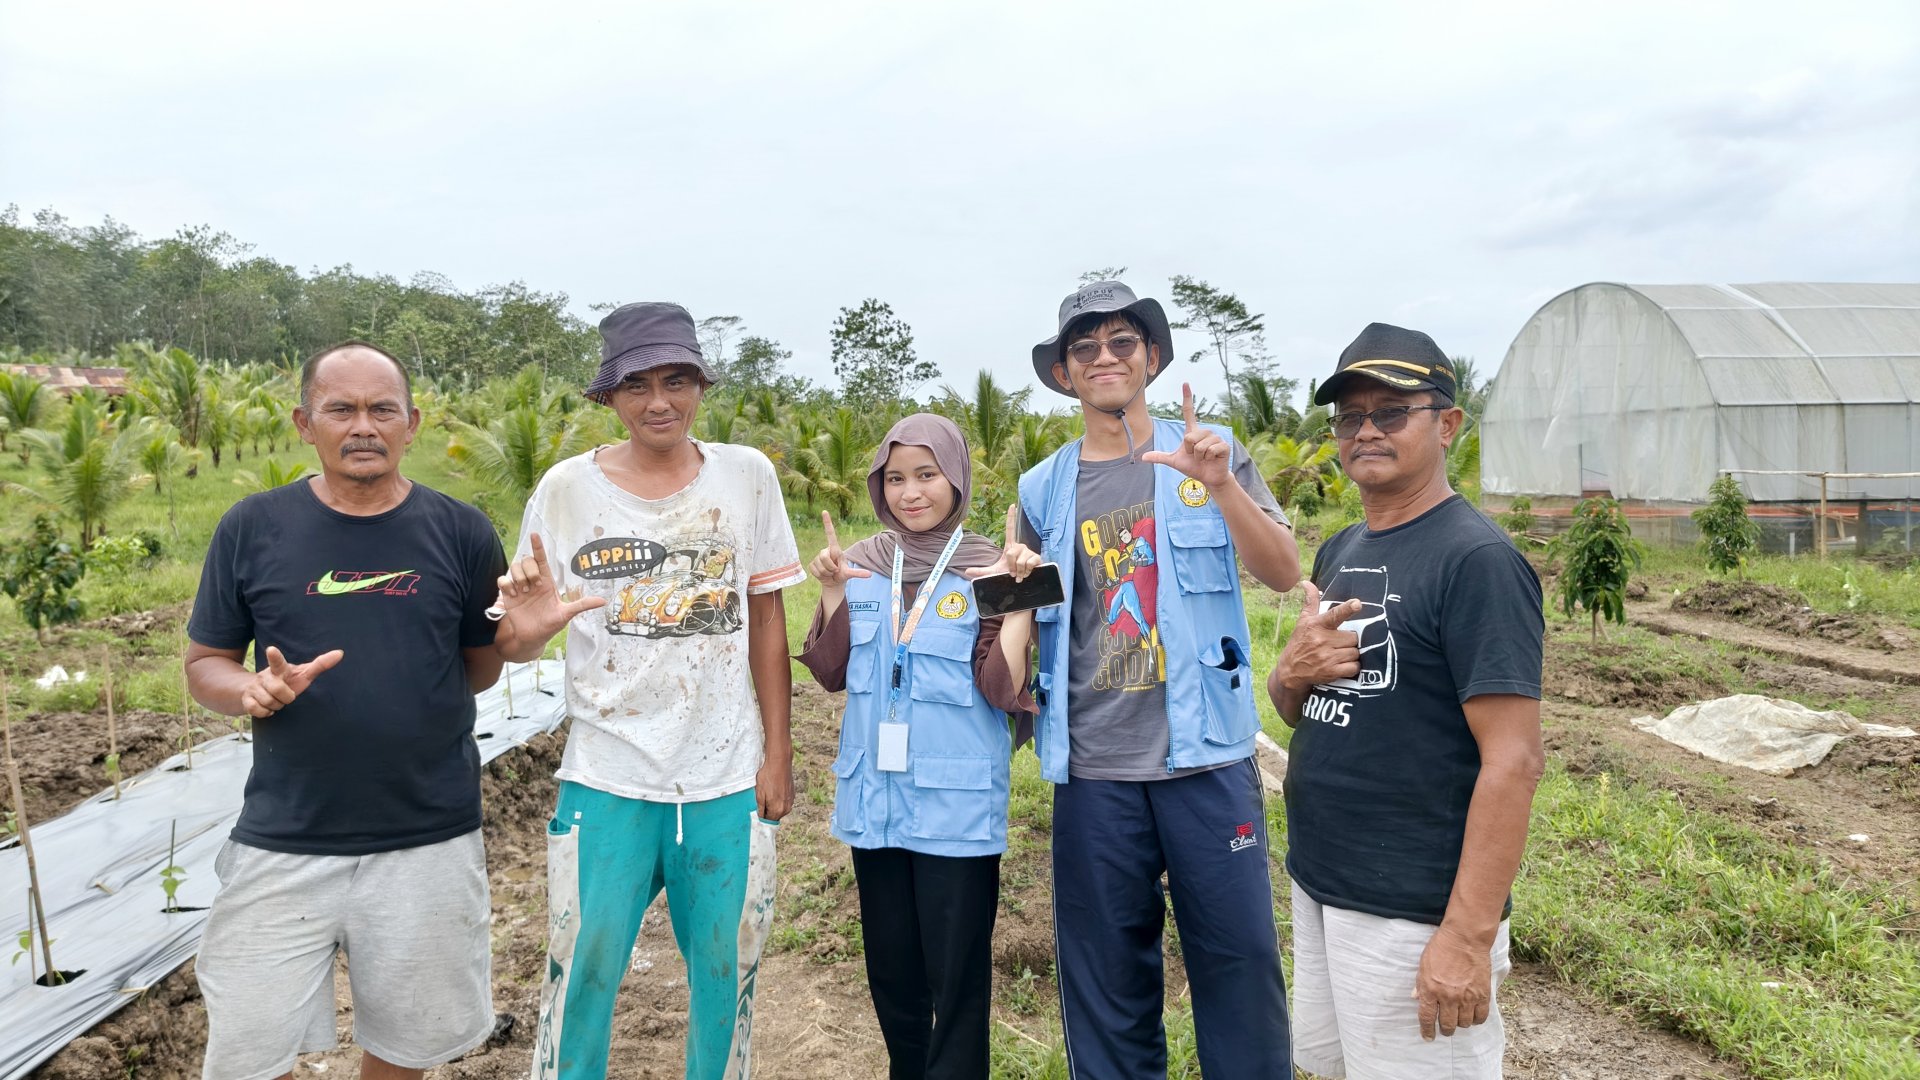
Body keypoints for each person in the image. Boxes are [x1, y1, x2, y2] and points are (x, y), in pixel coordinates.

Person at [185, 341, 590, 1080]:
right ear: (306, 423)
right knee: (248, 1046)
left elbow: (475, 665)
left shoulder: (460, 530)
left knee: (408, 1044)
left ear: (414, 423)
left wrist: (522, 642)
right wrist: (245, 690)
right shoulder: (252, 526)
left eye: (383, 409)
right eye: (341, 408)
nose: (363, 425)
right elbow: (204, 662)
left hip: (426, 837)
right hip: (284, 834)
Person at [498, 302, 804, 1080]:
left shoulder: (747, 477)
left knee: (724, 973)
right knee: (583, 972)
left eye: (676, 380)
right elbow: (516, 635)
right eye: (636, 385)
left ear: (701, 383)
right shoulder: (567, 490)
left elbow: (767, 622)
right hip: (607, 772)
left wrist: (779, 753)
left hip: (725, 773)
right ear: (608, 397)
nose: (658, 401)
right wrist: (529, 628)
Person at [1015, 280, 1301, 1077]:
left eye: (1121, 343)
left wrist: (1221, 485)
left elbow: (1281, 571)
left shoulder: (1213, 451)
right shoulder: (1041, 489)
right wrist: (1005, 582)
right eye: (1085, 348)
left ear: (1151, 357)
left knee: (1239, 963)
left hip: (1206, 758)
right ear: (1066, 373)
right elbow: (1027, 618)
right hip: (1096, 769)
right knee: (1106, 980)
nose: (1105, 358)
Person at [1268, 322, 1545, 1079]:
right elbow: (1296, 703)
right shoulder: (1344, 548)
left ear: (1447, 423)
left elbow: (1514, 762)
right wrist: (1291, 671)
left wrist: (1465, 937)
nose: (1366, 431)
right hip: (1324, 880)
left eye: (1391, 412)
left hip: (1412, 907)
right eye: (1350, 416)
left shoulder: (1477, 561)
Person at [795, 414, 1039, 1079]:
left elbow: (999, 687)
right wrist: (832, 589)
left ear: (955, 478)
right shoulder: (864, 564)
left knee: (956, 986)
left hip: (955, 816)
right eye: (895, 478)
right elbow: (830, 670)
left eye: (926, 475)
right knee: (892, 977)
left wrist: (1020, 602)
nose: (911, 492)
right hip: (875, 811)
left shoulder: (991, 568)